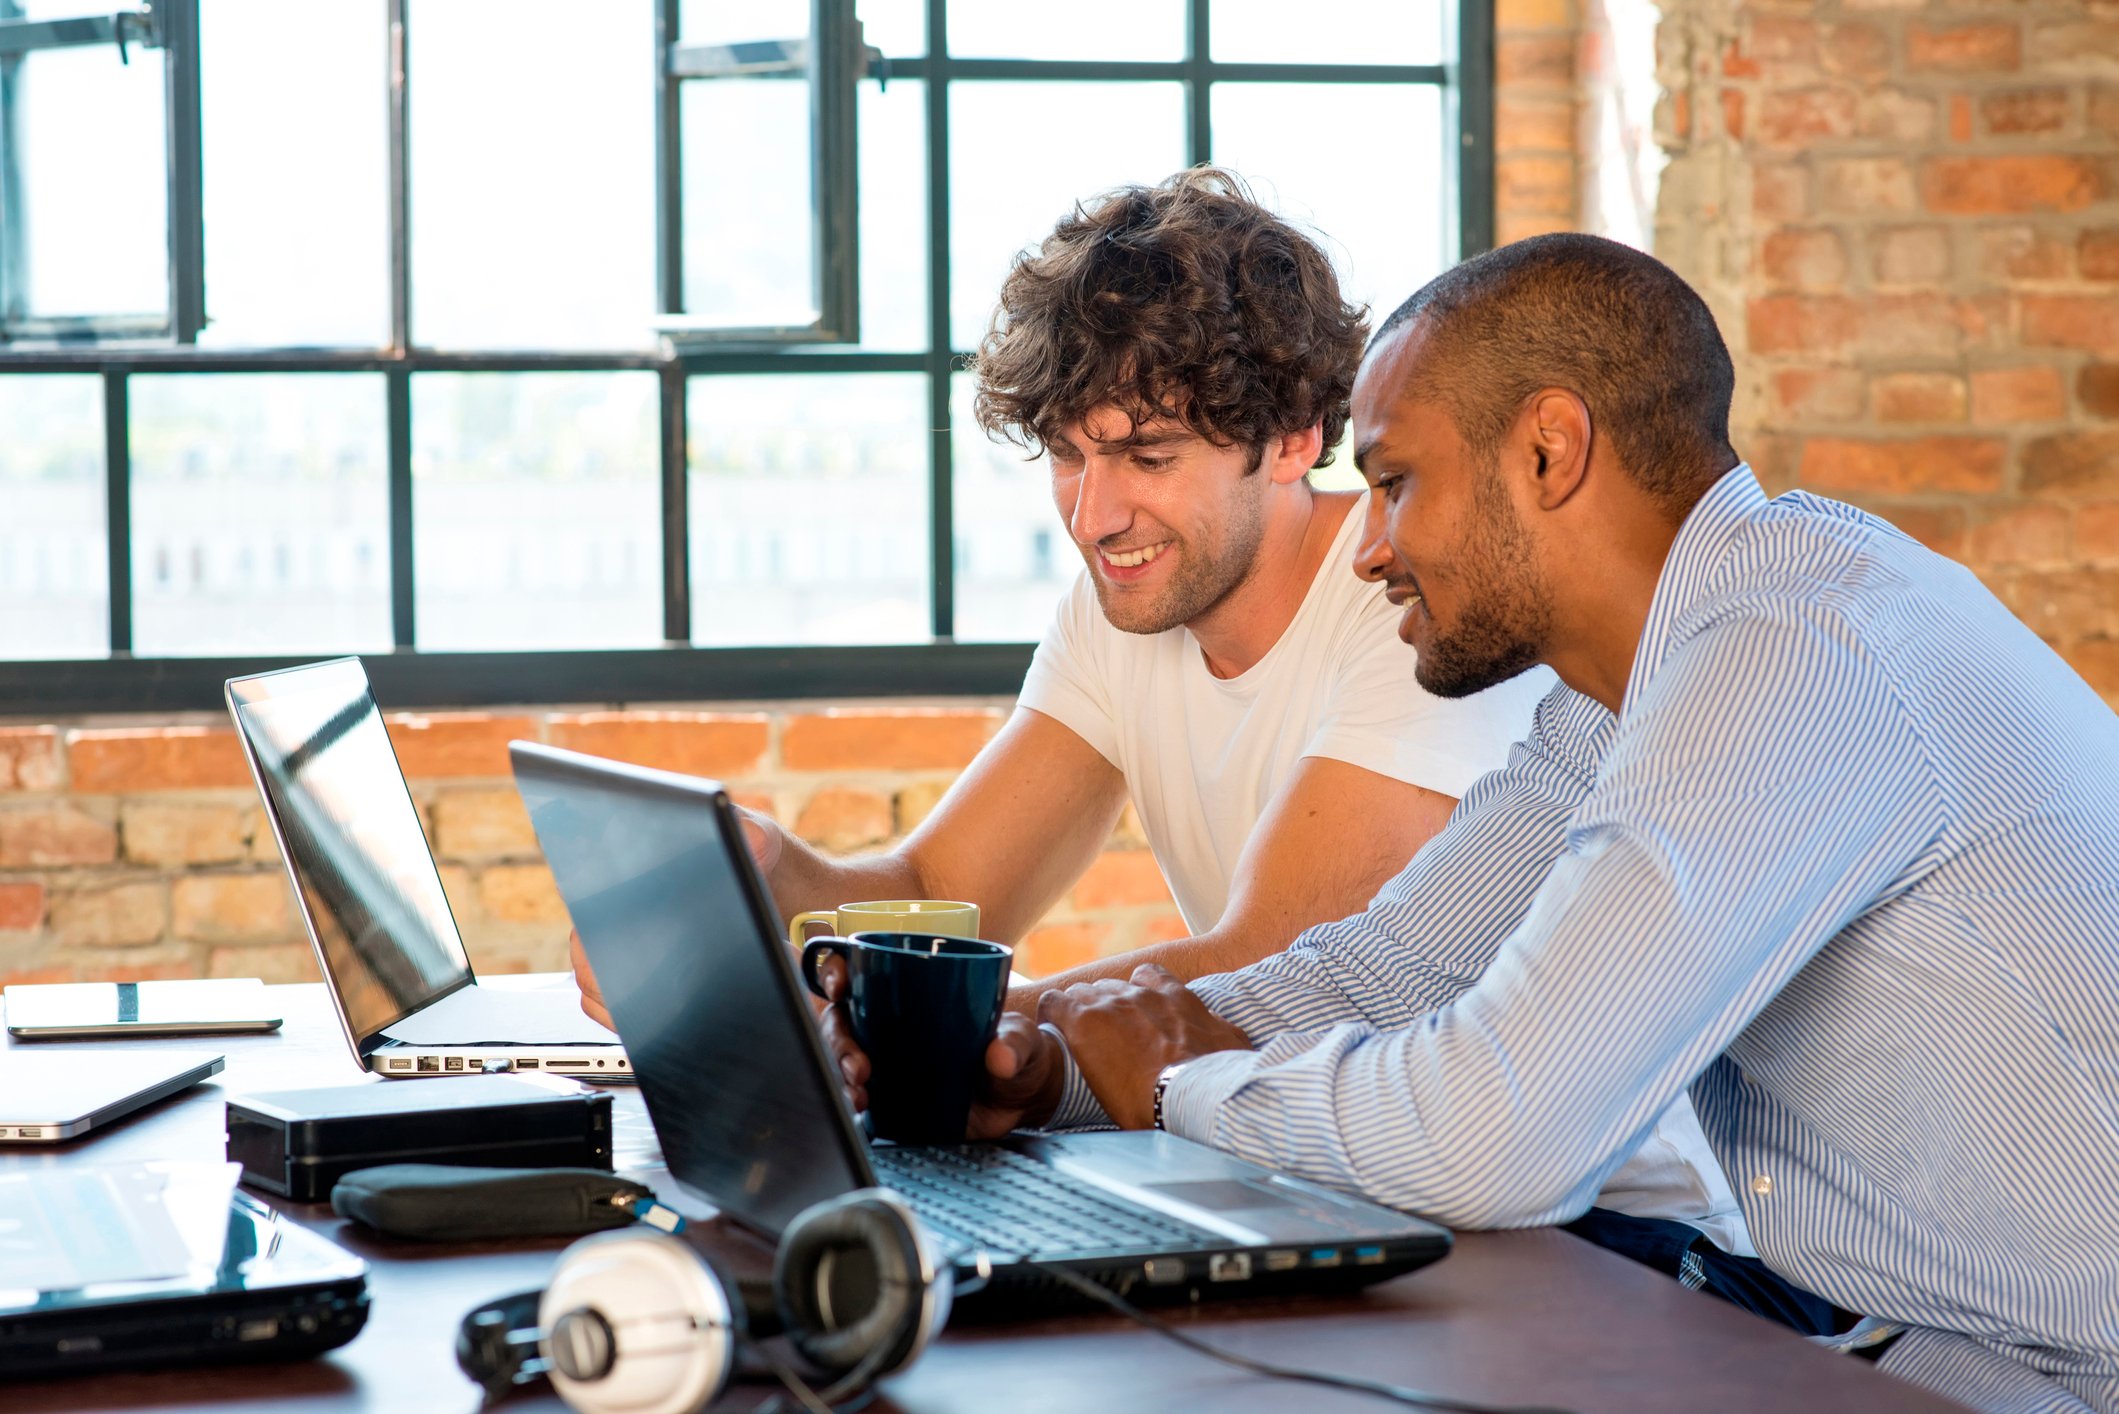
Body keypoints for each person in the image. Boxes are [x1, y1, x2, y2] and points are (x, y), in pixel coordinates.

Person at [943, 233, 2119, 1413]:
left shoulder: (1794, 654)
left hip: (2045, 1373)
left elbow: (1493, 1135)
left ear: (1549, 451)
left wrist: (1174, 1078)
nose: (1371, 547)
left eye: (1395, 482)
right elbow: (1393, 967)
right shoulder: (1631, 688)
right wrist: (1055, 1070)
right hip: (1870, 1329)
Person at [576, 172, 1745, 1257]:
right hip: (1299, 1172)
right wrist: (767, 888)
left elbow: (1268, 966)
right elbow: (942, 879)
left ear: (1293, 437)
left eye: (1145, 454)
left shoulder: (1421, 607)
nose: (1094, 515)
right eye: (1066, 457)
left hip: (1586, 1228)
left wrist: (946, 1032)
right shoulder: (1126, 604)